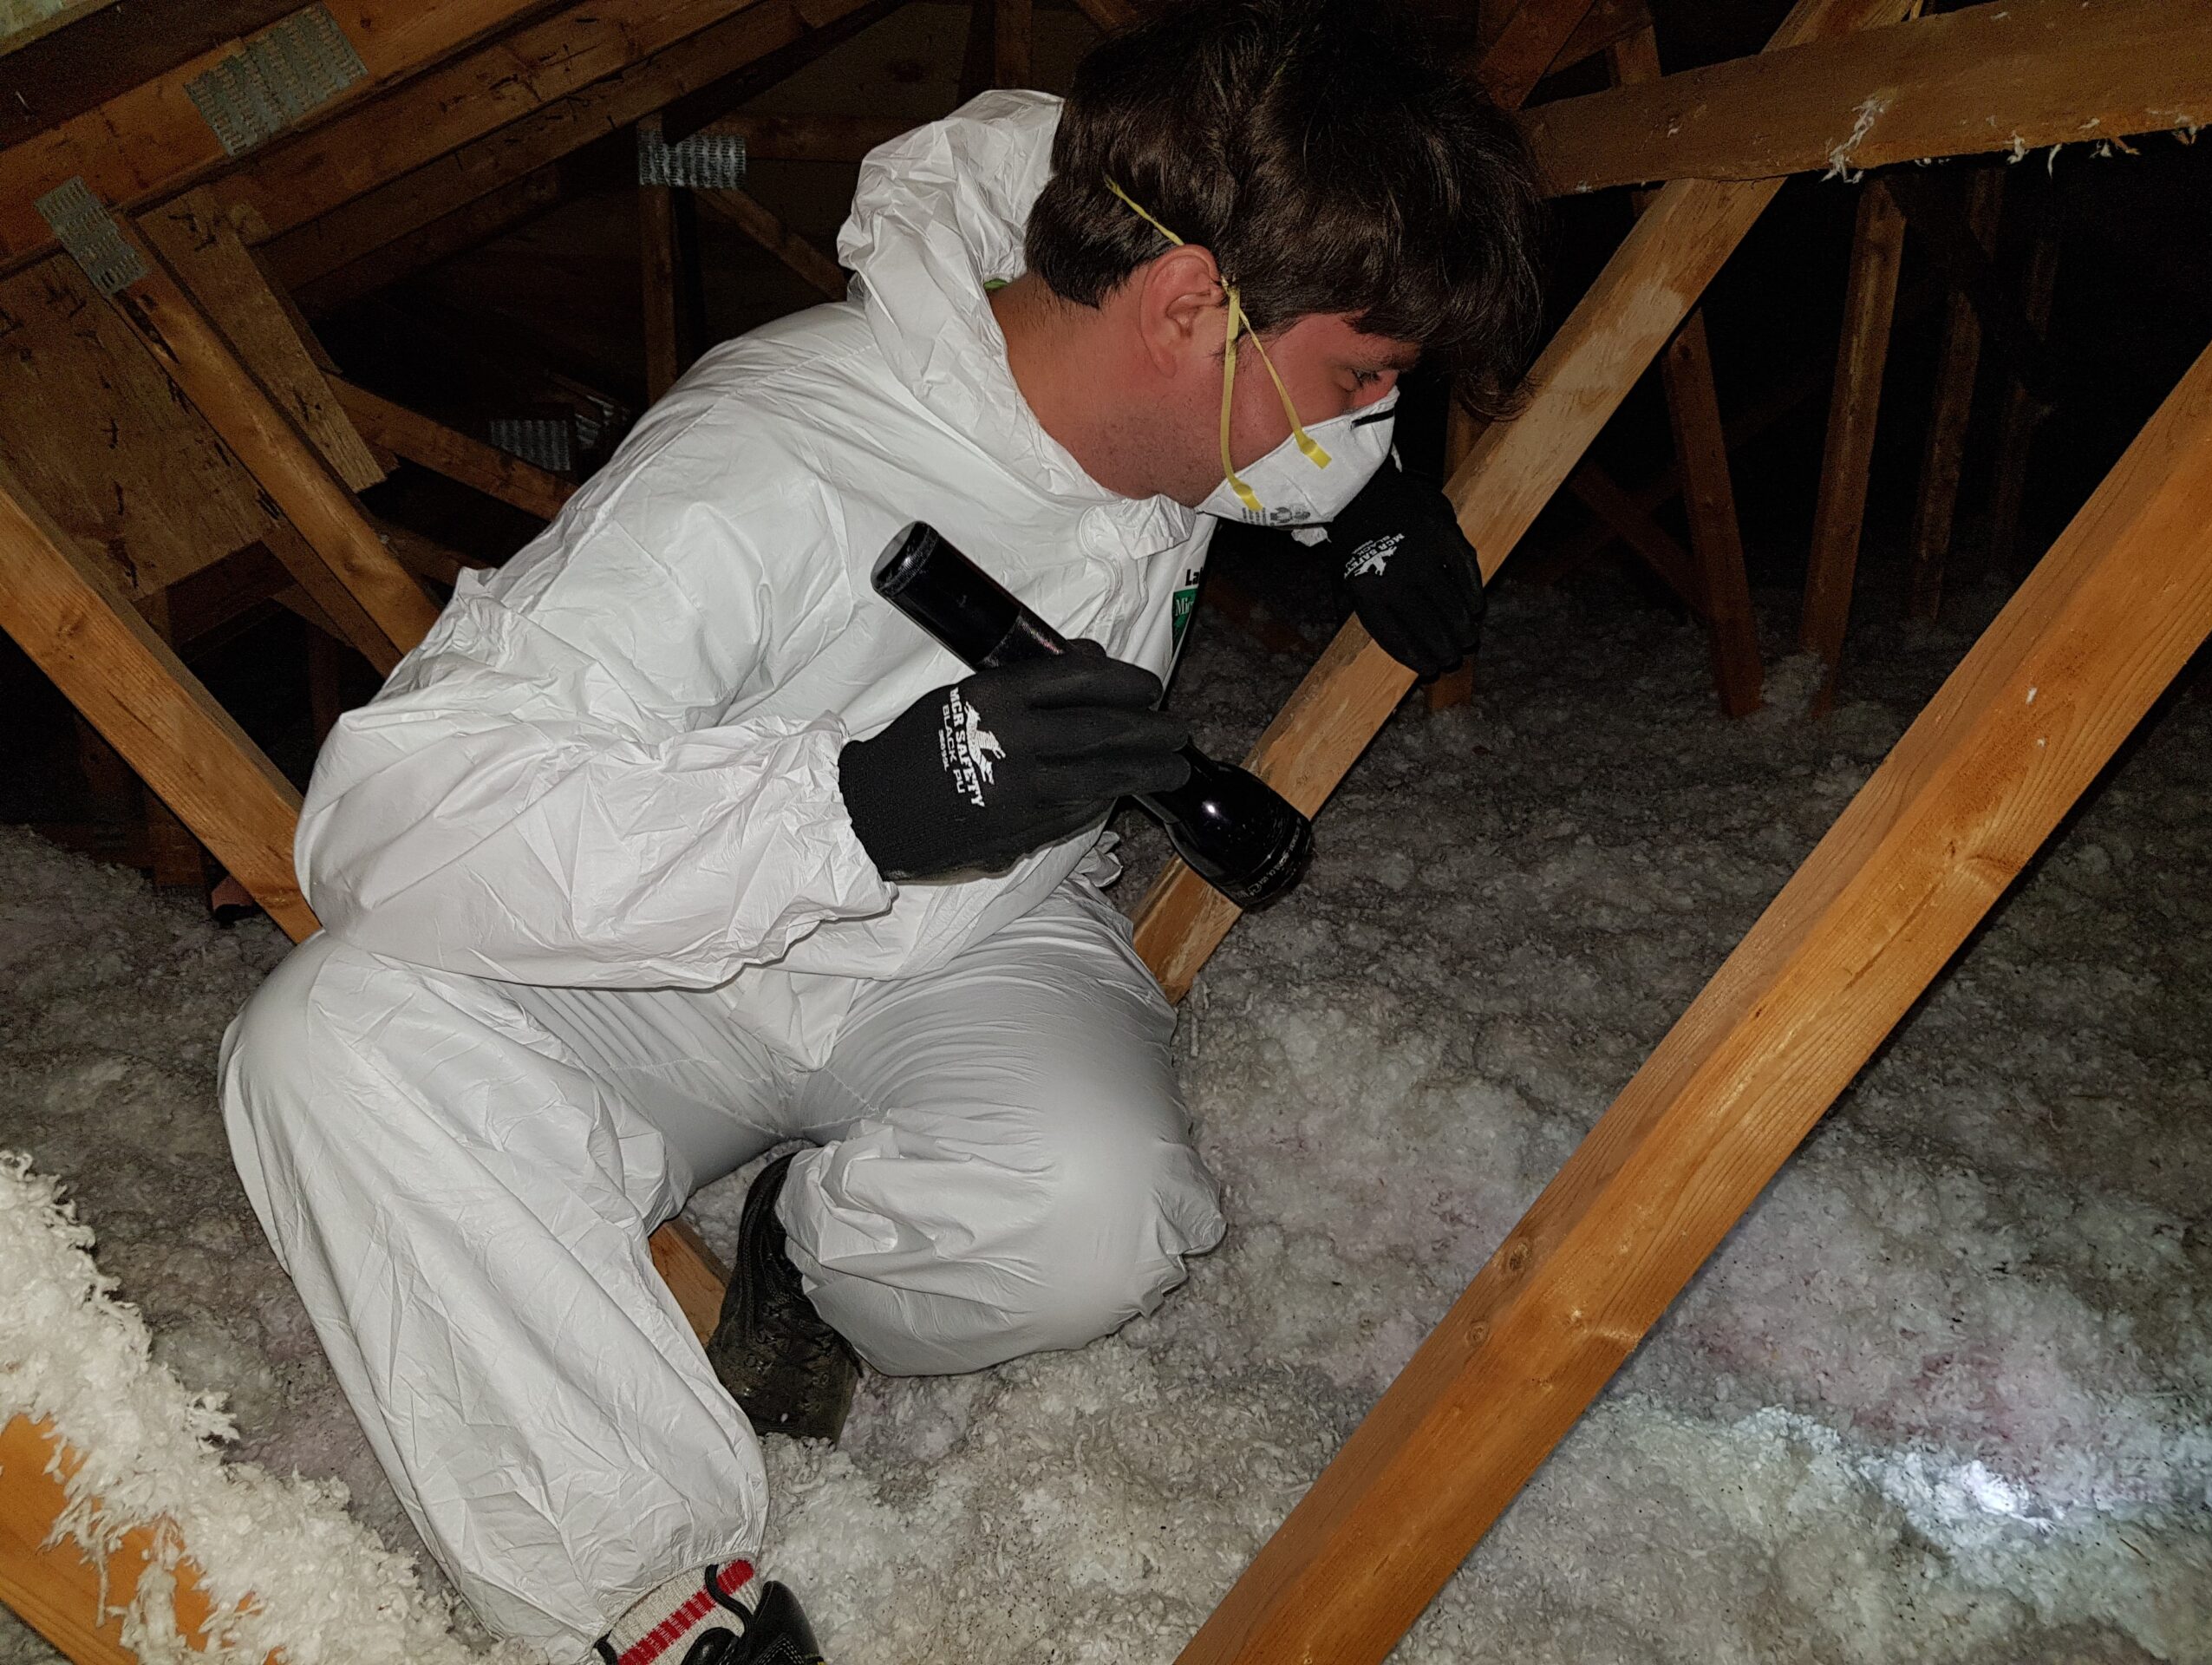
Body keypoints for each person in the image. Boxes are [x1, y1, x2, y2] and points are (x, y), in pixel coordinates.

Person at [219, 1, 1543, 1659]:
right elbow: (392, 820)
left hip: (982, 937)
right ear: (1192, 309)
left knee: (1099, 1220)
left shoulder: (1128, 319)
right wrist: (851, 804)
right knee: (331, 1040)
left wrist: (1372, 504)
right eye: (1360, 386)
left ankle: (808, 1250)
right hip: (678, 969)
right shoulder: (765, 458)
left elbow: (1111, 253)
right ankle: (650, 1597)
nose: (1360, 428)